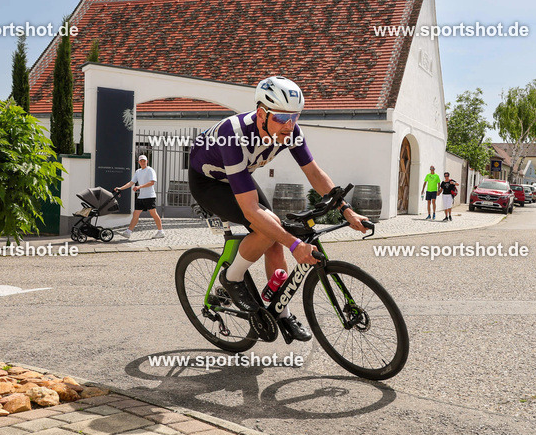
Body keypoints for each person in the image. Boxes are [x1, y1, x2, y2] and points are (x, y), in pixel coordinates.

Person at [186, 76, 368, 341]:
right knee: (268, 229)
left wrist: (347, 211)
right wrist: (296, 245)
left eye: (294, 117)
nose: (289, 125)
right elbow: (250, 211)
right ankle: (232, 277)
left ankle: (282, 312)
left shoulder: (291, 131)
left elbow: (314, 173)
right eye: (282, 119)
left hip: (239, 176)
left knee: (274, 239)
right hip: (208, 182)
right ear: (262, 113)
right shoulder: (233, 135)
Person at [114, 155, 165, 239]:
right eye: (141, 161)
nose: (143, 162)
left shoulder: (150, 170)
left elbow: (152, 182)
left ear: (147, 161)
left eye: (144, 161)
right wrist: (120, 188)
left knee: (153, 214)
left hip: (150, 196)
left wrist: (139, 187)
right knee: (135, 214)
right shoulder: (138, 171)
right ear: (138, 162)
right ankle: (128, 232)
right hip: (141, 197)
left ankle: (161, 232)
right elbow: (131, 183)